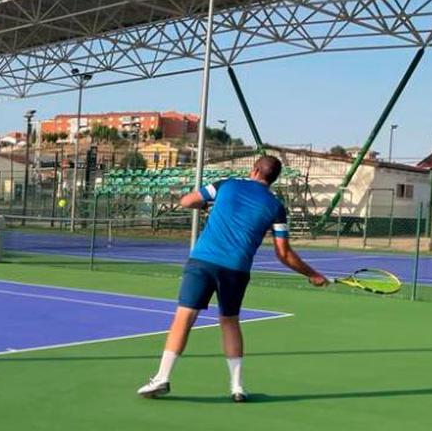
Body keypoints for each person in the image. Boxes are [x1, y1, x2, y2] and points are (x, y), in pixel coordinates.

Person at [137, 154, 327, 402]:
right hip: (236, 270)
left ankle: (162, 378)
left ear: (255, 169)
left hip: (203, 261)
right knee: (230, 321)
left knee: (184, 318)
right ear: (273, 178)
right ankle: (237, 387)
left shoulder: (225, 185)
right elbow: (284, 253)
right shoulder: (277, 208)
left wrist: (206, 204)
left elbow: (187, 201)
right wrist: (312, 274)